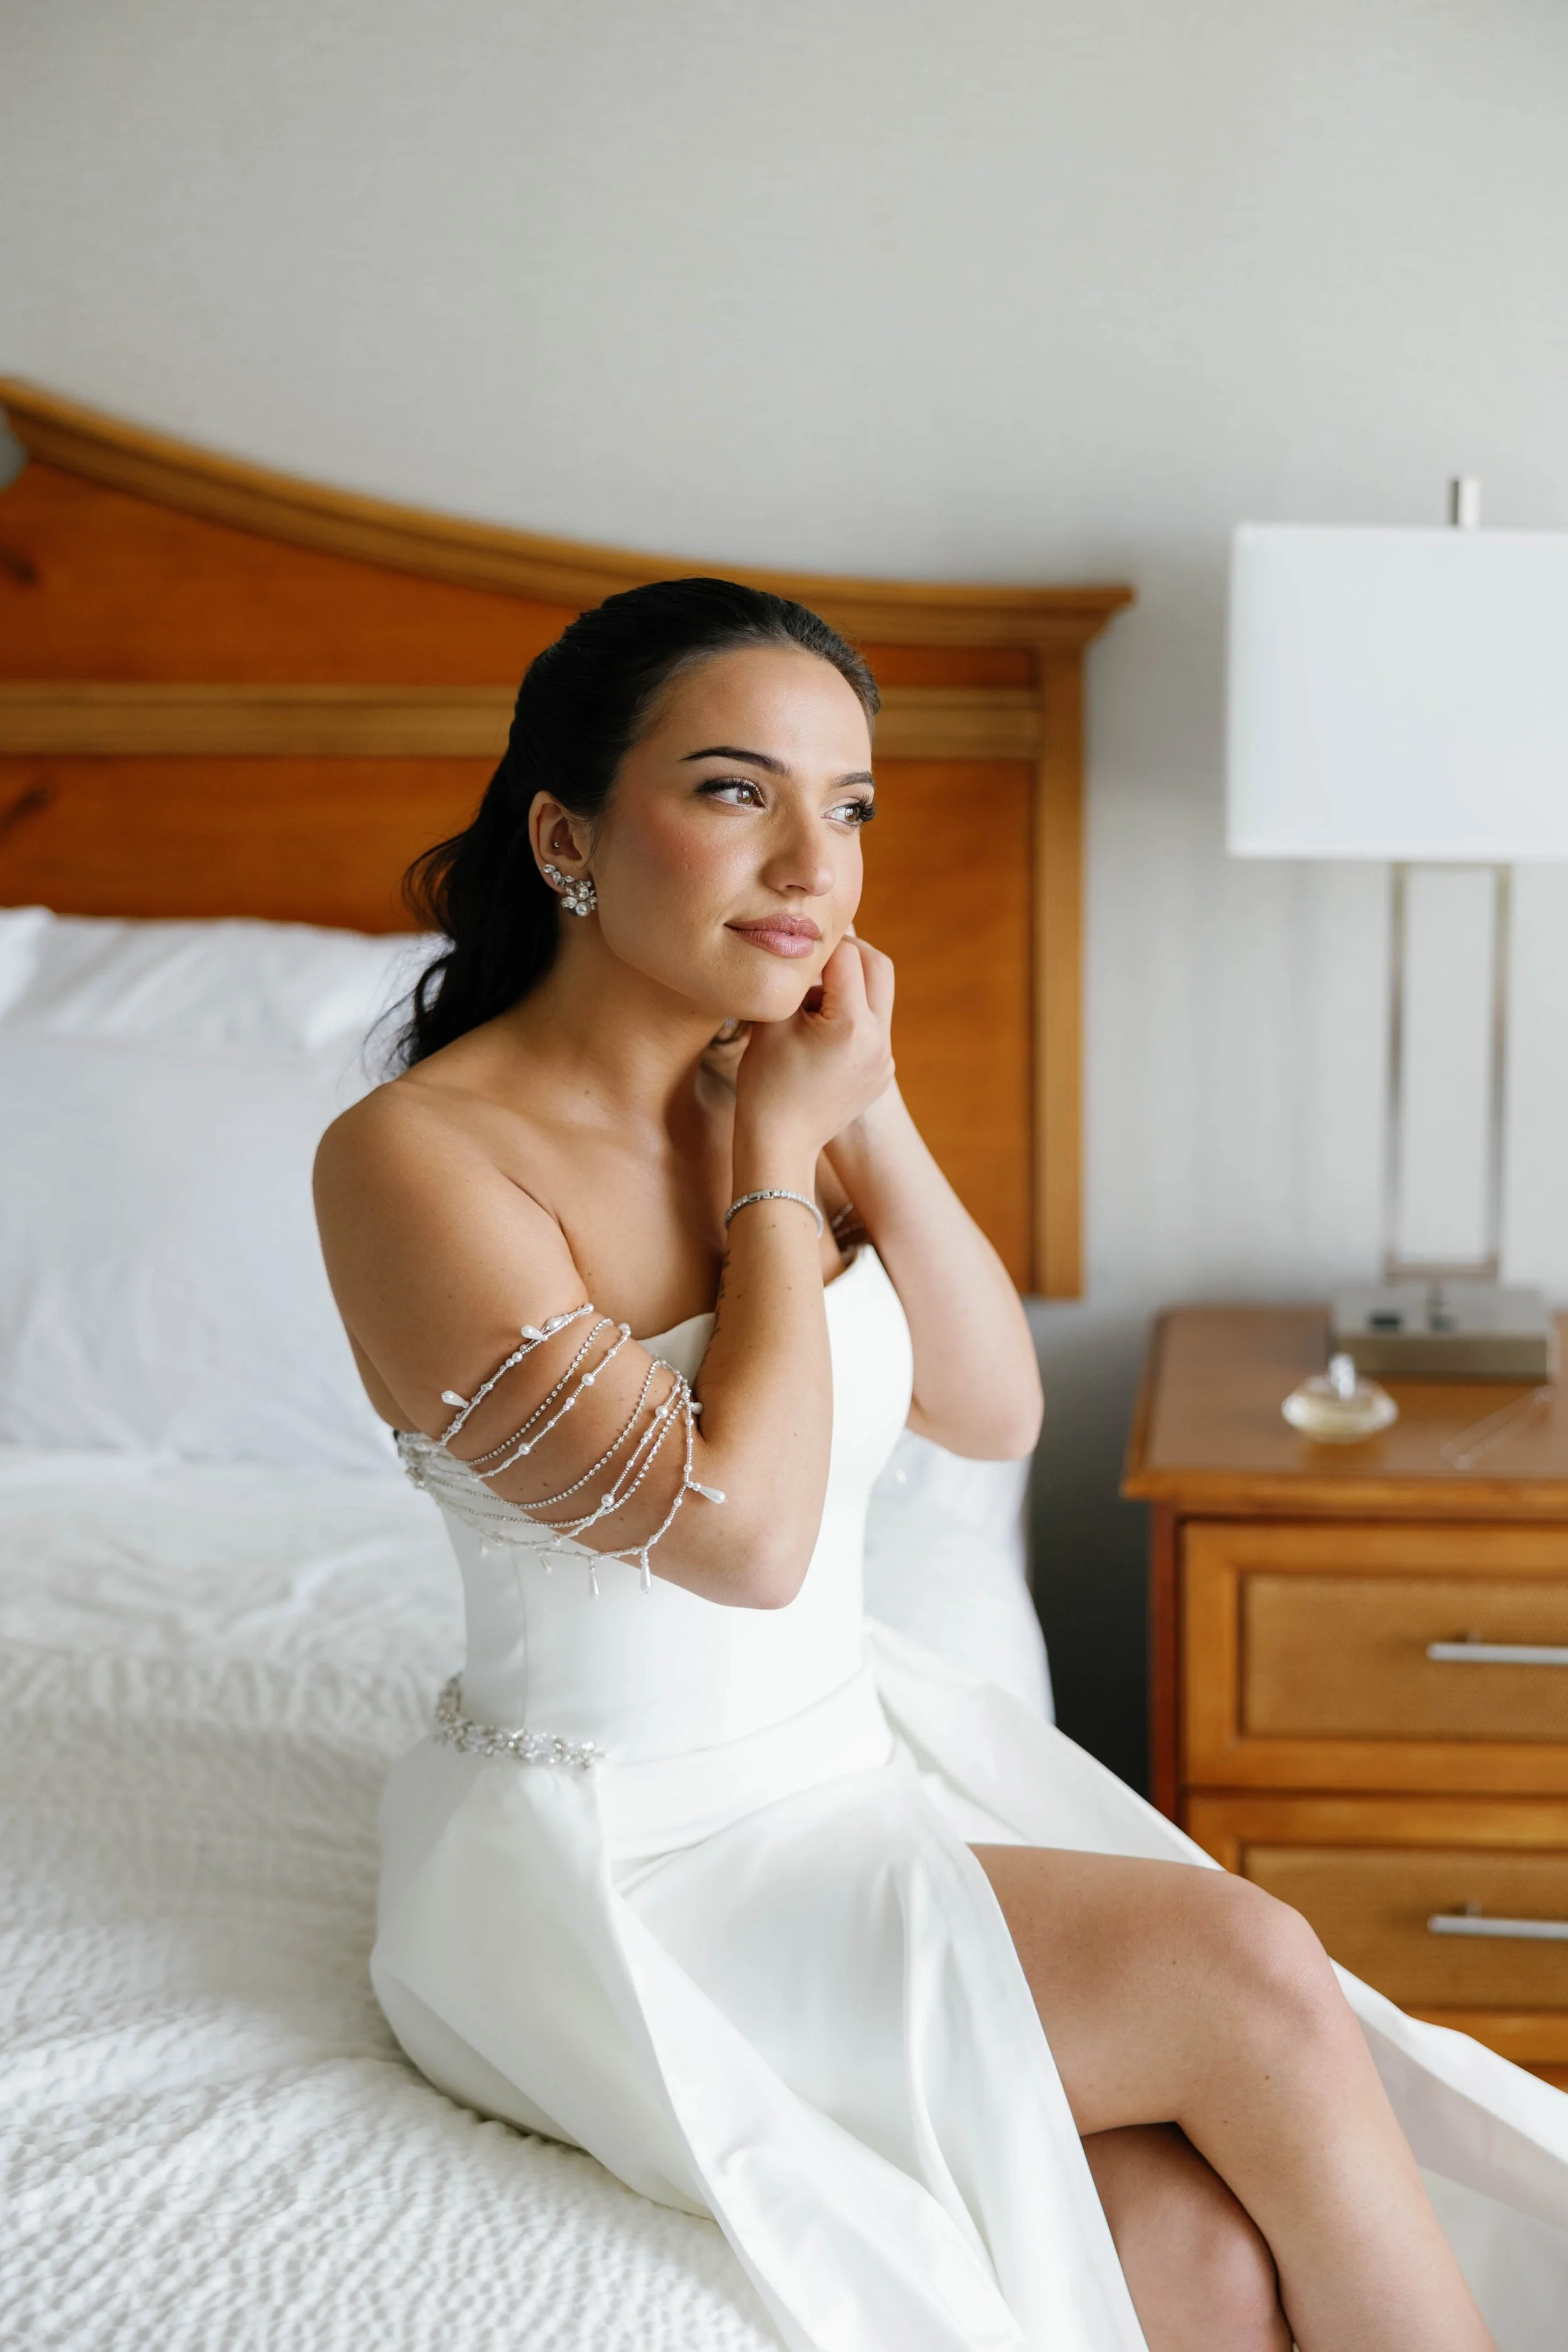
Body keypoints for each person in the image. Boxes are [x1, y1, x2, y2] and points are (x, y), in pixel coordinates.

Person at [315, 578, 1564, 2352]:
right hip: (624, 1861)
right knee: (1248, 1966)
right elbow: (742, 1541)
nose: (811, 863)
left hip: (846, 1773)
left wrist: (860, 1109)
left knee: (1190, 2258)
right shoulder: (416, 1161)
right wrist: (772, 1164)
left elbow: (990, 1410)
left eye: (850, 807)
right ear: (565, 831)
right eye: (738, 791)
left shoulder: (779, 1089)